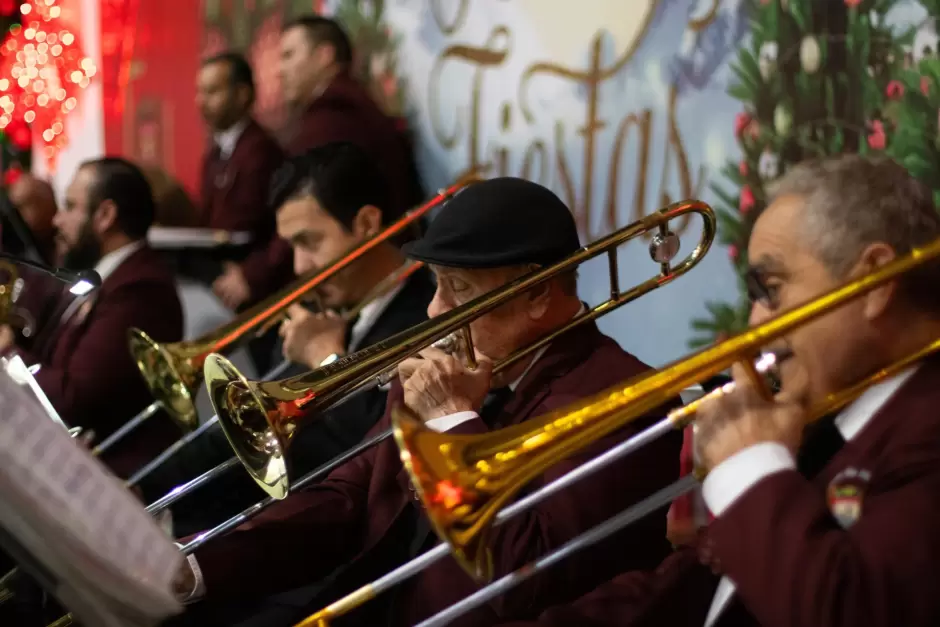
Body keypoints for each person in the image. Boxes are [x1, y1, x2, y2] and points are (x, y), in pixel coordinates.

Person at [169, 177, 683, 627]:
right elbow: (346, 500)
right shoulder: (445, 364)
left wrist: (452, 420)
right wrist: (196, 564)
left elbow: (523, 576)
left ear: (538, 294)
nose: (435, 311)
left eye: (458, 288)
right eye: (437, 284)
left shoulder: (626, 401)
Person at [498, 154, 940, 627]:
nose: (755, 324)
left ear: (873, 282)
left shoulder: (923, 427)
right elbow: (685, 592)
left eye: (771, 288)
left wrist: (751, 469)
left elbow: (849, 610)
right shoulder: (833, 422)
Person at [151, 142, 436, 537]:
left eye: (311, 242)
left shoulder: (427, 312)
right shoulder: (328, 307)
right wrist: (142, 490)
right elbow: (246, 433)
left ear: (367, 224)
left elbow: (374, 456)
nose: (300, 267)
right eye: (293, 246)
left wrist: (327, 360)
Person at [0, 158, 184, 479]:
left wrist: (7, 351)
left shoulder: (141, 291)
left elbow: (74, 400)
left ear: (105, 215)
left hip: (112, 481)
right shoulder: (102, 276)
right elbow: (48, 350)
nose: (57, 219)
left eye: (70, 206)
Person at [278, 15, 424, 215]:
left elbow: (304, 213)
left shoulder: (334, 117)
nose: (280, 70)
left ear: (324, 56)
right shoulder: (350, 103)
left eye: (288, 55)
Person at [196, 51, 293, 311]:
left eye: (212, 91)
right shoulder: (214, 154)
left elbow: (281, 225)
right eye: (200, 92)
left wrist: (251, 274)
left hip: (256, 290)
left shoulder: (263, 150)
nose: (201, 102)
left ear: (242, 94)